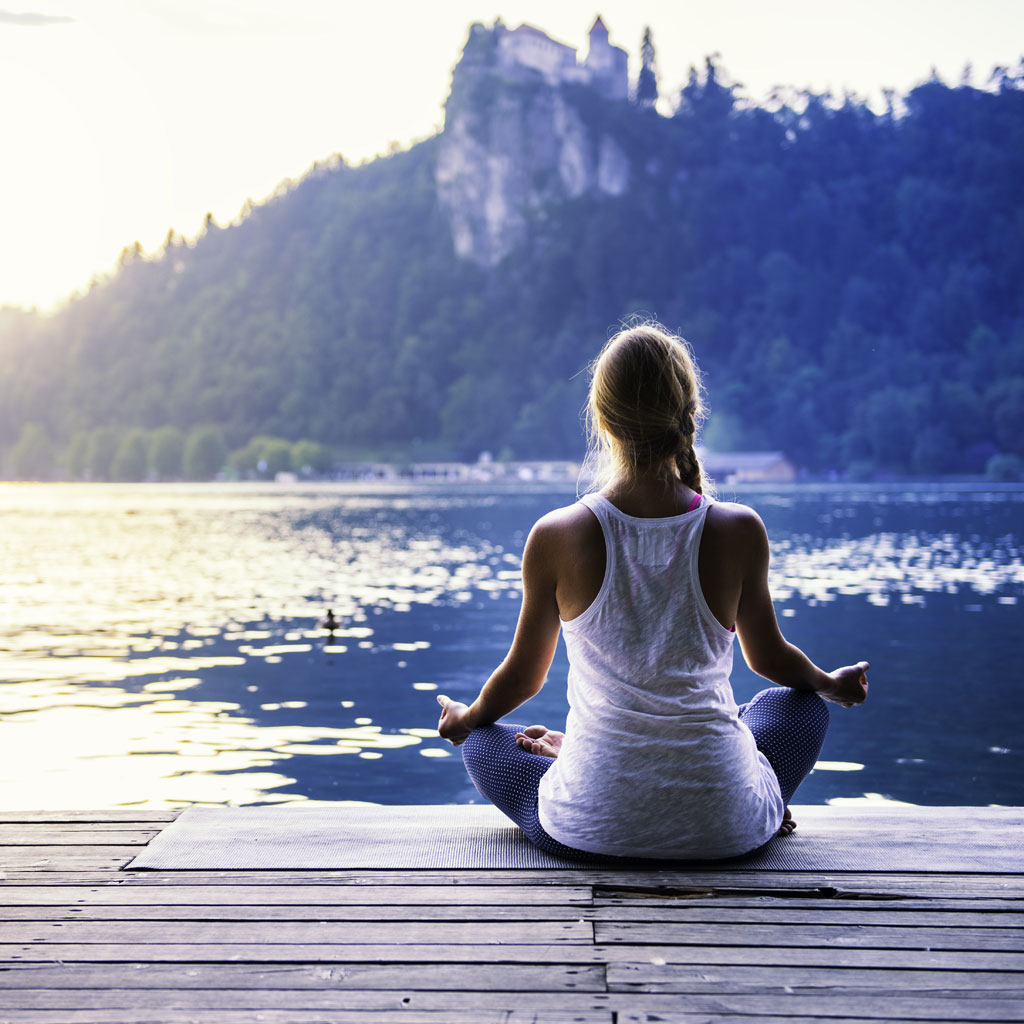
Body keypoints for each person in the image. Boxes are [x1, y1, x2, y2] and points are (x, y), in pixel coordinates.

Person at [436, 323, 869, 861]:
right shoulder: (739, 529)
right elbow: (770, 660)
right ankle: (755, 804)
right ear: (690, 414)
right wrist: (829, 683)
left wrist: (466, 717)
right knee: (800, 706)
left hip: (592, 828)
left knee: (484, 736)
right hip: (726, 831)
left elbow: (524, 679)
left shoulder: (556, 535)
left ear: (601, 419)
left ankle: (583, 762)